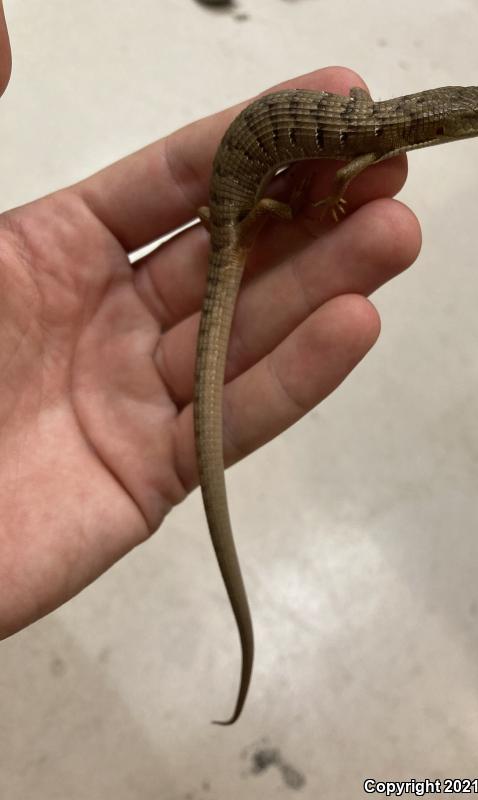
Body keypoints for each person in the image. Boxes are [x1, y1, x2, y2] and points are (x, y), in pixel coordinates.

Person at [0, 4, 421, 639]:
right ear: (441, 128)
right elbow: (350, 163)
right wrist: (318, 198)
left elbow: (357, 97)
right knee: (303, 228)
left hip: (231, 203)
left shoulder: (365, 123)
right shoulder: (369, 144)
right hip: (237, 214)